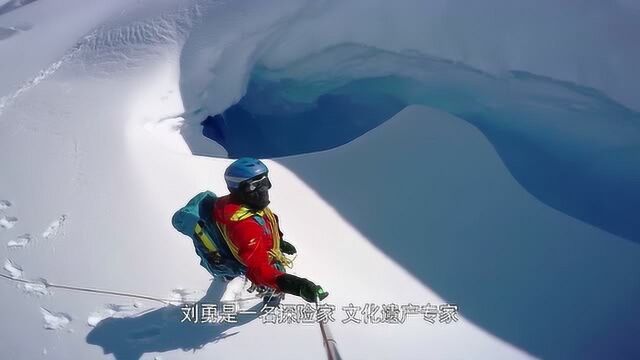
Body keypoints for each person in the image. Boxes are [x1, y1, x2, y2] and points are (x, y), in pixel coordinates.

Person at [212, 157, 328, 303]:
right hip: (260, 263)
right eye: (254, 185)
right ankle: (270, 296)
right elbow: (259, 270)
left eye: (264, 181)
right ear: (237, 190)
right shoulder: (245, 227)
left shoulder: (244, 205)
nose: (264, 189)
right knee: (270, 280)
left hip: (255, 249)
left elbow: (267, 224)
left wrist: (279, 242)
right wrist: (297, 286)